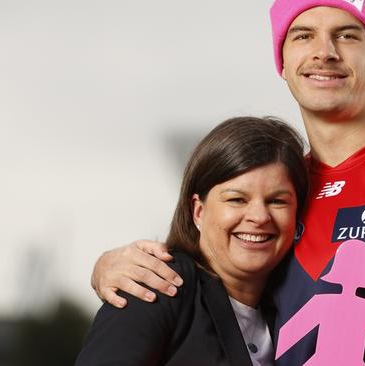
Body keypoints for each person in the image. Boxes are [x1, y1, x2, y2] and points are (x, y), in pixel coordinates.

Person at [89, 1, 365, 364]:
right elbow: (223, 287)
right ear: (283, 62)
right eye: (303, 35)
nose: (325, 52)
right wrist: (112, 266)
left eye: (347, 35)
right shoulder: (280, 191)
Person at [75, 116, 308, 365]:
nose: (259, 217)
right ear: (198, 210)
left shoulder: (289, 308)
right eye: (237, 199)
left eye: (277, 201)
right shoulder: (158, 282)